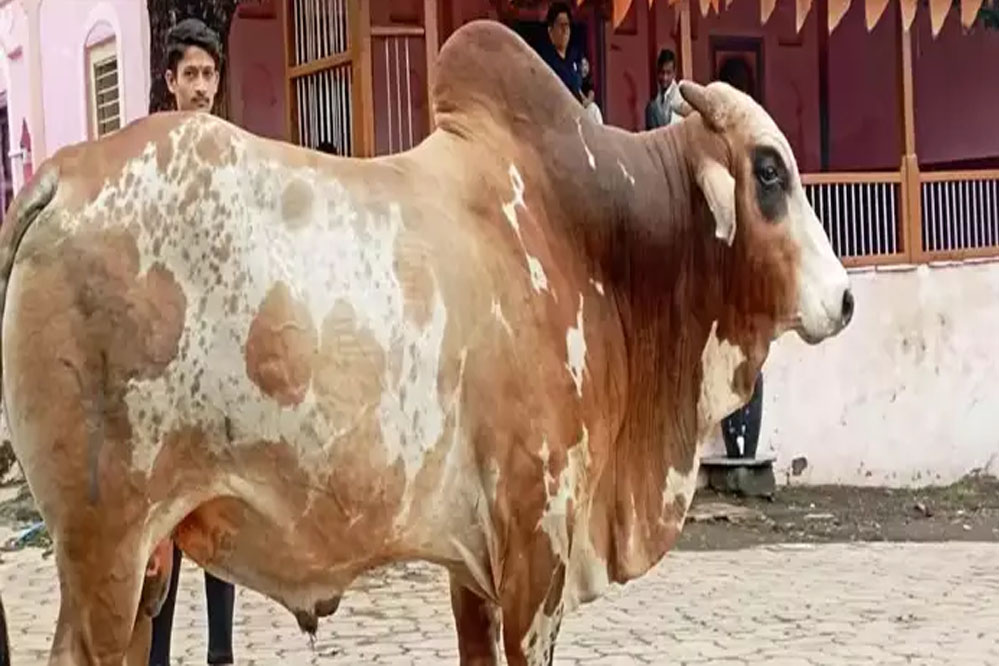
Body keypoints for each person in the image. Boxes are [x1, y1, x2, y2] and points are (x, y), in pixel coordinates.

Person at [149, 20, 238, 666]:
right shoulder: (153, 161)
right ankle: (155, 656)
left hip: (223, 364)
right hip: (166, 367)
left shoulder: (236, 156)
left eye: (209, 74)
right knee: (163, 522)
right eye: (191, 75)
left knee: (216, 515)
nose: (202, 86)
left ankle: (221, 653)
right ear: (170, 82)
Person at [539, 2, 584, 103]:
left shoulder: (574, 56)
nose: (565, 30)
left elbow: (582, 87)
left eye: (567, 25)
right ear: (550, 31)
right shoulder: (545, 62)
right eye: (560, 25)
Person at [645, 48, 681, 130]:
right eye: (662, 72)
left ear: (674, 73)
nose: (665, 78)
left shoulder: (679, 97)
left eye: (668, 73)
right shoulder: (655, 99)